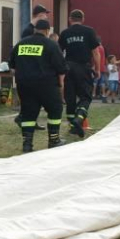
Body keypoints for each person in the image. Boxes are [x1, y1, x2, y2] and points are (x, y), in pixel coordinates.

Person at [9, 18, 68, 153]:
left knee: (28, 113)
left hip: (24, 85)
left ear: (35, 29)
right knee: (55, 109)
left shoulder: (21, 44)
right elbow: (61, 67)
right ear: (47, 31)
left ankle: (27, 144)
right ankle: (54, 140)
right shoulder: (51, 45)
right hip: (46, 84)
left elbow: (12, 65)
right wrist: (60, 84)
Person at [58, 9, 100, 139]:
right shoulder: (89, 31)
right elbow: (95, 53)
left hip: (69, 68)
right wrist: (98, 69)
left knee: (70, 98)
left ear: (70, 19)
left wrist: (61, 71)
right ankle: (79, 119)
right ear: (83, 19)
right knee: (85, 97)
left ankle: (72, 126)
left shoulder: (65, 33)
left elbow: (59, 53)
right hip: (84, 68)